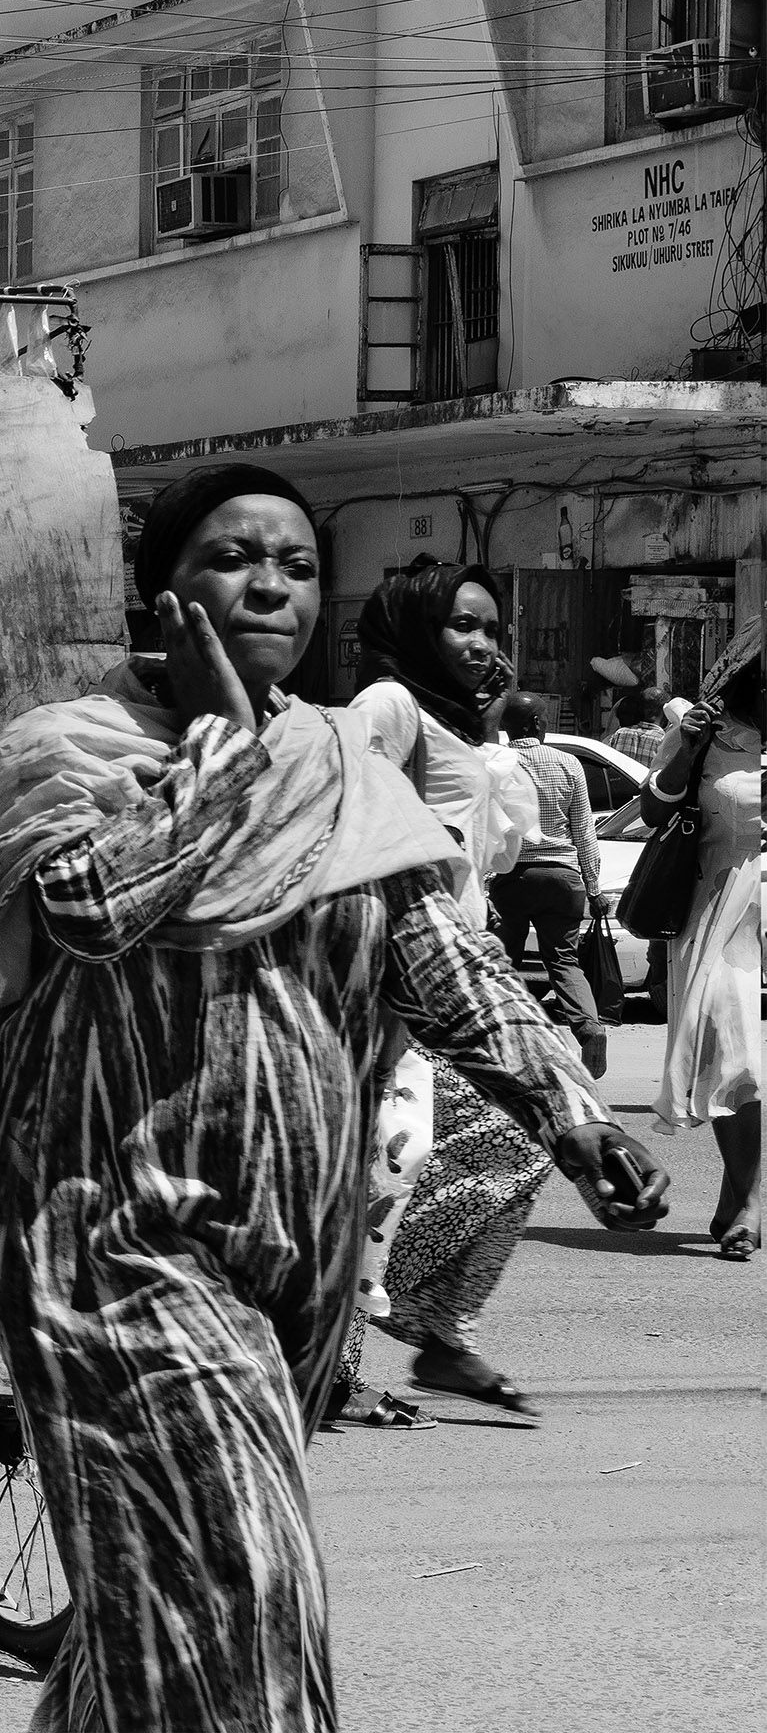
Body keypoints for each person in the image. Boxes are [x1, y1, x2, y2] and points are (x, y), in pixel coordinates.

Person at [0, 463, 662, 1732]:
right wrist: (216, 748)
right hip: (112, 1245)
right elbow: (95, 907)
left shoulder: (336, 766)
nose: (269, 582)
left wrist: (572, 1109)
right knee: (250, 1591)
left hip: (290, 1264)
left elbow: (441, 959)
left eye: (297, 563)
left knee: (159, 1618)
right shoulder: (69, 750)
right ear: (162, 593)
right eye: (231, 556)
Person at [349, 561, 559, 1414]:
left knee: (514, 1140)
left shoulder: (454, 723)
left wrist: (489, 730)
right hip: (395, 976)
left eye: (490, 628)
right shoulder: (388, 706)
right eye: (459, 627)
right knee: (379, 1162)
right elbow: (344, 815)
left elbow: (497, 850)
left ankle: (438, 1334)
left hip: (460, 971)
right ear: (411, 630)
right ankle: (337, 1361)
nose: (481, 644)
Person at [642, 618, 761, 1261]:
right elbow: (656, 809)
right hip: (724, 907)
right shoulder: (707, 730)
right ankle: (746, 1203)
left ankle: (737, 1193)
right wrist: (684, 750)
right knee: (738, 1058)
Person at [492, 695, 610, 1075]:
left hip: (512, 878)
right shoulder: (568, 763)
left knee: (503, 963)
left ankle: (506, 1042)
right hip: (563, 877)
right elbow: (584, 831)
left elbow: (484, 828)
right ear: (538, 723)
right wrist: (594, 888)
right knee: (562, 960)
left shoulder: (497, 763)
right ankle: (589, 1028)